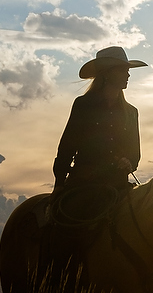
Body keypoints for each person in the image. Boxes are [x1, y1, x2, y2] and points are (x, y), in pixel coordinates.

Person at [52, 46, 146, 194]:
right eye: (122, 70)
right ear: (107, 73)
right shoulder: (83, 105)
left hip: (117, 184)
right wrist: (59, 184)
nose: (128, 75)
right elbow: (67, 147)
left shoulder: (131, 112)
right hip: (84, 183)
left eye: (127, 70)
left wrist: (129, 161)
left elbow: (134, 152)